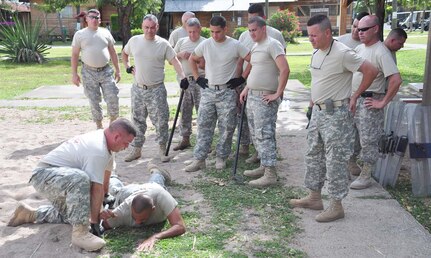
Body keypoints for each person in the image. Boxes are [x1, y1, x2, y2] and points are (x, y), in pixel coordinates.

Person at [289, 15, 378, 222]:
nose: (310, 39)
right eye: (309, 35)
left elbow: (371, 71)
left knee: (335, 160)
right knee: (313, 154)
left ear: (327, 33)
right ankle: (314, 197)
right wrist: (312, 104)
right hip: (318, 113)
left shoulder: (343, 53)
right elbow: (319, 80)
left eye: (314, 35)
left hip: (336, 115)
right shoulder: (316, 52)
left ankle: (336, 206)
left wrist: (355, 95)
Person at [7, 118, 137, 251]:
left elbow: (105, 177)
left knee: (78, 214)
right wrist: (95, 223)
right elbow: (96, 188)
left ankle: (30, 214)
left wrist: (103, 204)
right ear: (116, 136)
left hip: (60, 178)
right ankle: (80, 234)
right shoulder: (98, 150)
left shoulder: (107, 145)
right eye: (127, 143)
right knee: (80, 179)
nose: (126, 147)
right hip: (44, 176)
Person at [185, 15, 250, 172]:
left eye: (218, 32)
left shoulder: (235, 45)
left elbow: (252, 59)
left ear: (225, 29)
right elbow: (192, 59)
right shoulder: (206, 44)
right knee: (203, 125)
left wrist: (241, 78)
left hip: (227, 92)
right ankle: (200, 159)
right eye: (212, 32)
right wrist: (197, 78)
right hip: (208, 91)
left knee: (227, 127)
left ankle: (222, 156)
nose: (215, 35)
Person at [122, 14, 188, 163]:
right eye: (146, 27)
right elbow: (124, 54)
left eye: (152, 27)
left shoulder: (163, 44)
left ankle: (162, 149)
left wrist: (183, 77)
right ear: (142, 26)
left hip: (156, 90)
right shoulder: (134, 41)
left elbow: (175, 61)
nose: (149, 31)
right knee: (137, 120)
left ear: (157, 27)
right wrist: (127, 67)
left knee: (161, 121)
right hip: (138, 89)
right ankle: (136, 149)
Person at [349, 15, 402, 190]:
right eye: (358, 28)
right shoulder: (360, 48)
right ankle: (352, 165)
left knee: (368, 140)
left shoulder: (381, 51)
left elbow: (395, 80)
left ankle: (366, 175)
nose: (359, 32)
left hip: (370, 102)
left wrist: (383, 102)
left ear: (376, 29)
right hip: (356, 99)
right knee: (353, 137)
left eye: (364, 29)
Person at [239, 16, 290, 187]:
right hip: (252, 96)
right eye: (250, 30)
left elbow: (285, 69)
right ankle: (263, 165)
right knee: (256, 133)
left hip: (265, 98)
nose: (252, 33)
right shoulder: (255, 46)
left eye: (254, 30)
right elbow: (255, 70)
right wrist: (246, 89)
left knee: (264, 134)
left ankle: (270, 174)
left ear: (263, 29)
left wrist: (278, 93)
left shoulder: (272, 44)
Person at [100, 164, 185, 251]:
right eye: (134, 218)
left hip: (154, 188)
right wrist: (102, 214)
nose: (137, 222)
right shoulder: (123, 211)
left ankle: (157, 173)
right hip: (127, 192)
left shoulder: (162, 197)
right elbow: (101, 226)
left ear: (153, 209)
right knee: (115, 189)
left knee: (157, 184)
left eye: (142, 219)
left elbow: (180, 226)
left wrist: (155, 237)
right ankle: (112, 175)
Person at [71, 9, 121, 129]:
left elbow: (113, 52)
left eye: (97, 18)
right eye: (92, 17)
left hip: (106, 71)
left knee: (113, 97)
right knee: (94, 101)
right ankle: (99, 127)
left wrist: (118, 70)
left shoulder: (105, 32)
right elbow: (74, 55)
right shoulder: (80, 34)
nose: (95, 20)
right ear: (86, 19)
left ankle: (112, 124)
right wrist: (74, 74)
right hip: (88, 72)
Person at [172, 18, 206, 151]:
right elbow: (172, 60)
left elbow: (208, 63)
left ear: (200, 30)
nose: (192, 35)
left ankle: (203, 142)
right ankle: (185, 139)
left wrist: (194, 59)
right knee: (185, 110)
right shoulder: (181, 42)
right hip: (186, 80)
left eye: (195, 32)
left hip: (201, 80)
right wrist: (180, 54)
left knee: (202, 111)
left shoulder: (205, 42)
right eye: (190, 32)